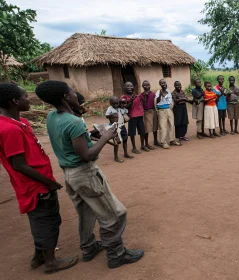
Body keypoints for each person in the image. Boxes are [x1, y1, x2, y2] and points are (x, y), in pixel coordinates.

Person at [35, 80, 144, 269]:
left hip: (70, 175)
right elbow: (87, 155)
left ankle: (89, 247)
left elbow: (70, 140)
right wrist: (105, 136)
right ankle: (116, 254)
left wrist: (90, 134)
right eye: (72, 92)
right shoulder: (74, 121)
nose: (76, 95)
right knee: (115, 214)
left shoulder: (52, 116)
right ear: (65, 97)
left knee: (86, 213)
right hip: (85, 174)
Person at [0, 83, 78, 274]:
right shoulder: (10, 130)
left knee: (41, 220)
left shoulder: (21, 123)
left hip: (38, 182)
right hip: (36, 186)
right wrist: (48, 182)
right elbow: (19, 165)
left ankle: (39, 256)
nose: (29, 99)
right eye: (26, 96)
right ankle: (51, 261)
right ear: (14, 101)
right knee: (47, 221)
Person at [105, 96, 132, 162]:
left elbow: (126, 111)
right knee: (116, 141)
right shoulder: (110, 108)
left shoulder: (120, 108)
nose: (115, 105)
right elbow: (106, 115)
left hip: (122, 126)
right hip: (115, 127)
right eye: (113, 103)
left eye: (117, 103)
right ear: (110, 103)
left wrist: (123, 103)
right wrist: (112, 115)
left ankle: (125, 153)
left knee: (125, 139)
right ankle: (116, 157)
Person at [121, 82, 145, 154]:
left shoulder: (137, 96)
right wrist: (131, 100)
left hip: (140, 115)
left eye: (131, 86)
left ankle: (142, 146)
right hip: (132, 116)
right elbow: (126, 107)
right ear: (124, 88)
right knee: (132, 133)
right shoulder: (123, 97)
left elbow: (142, 103)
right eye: (127, 86)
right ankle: (134, 148)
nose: (129, 88)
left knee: (142, 131)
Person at [156, 79, 181, 148]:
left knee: (171, 125)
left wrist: (171, 107)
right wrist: (160, 95)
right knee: (163, 126)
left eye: (164, 83)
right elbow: (157, 101)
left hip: (169, 110)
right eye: (162, 83)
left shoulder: (168, 92)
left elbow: (170, 101)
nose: (164, 84)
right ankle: (163, 142)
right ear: (160, 85)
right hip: (162, 110)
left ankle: (172, 140)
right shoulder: (158, 92)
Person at [140, 80, 159, 150]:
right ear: (142, 86)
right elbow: (143, 105)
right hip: (146, 112)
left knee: (155, 127)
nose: (147, 87)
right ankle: (146, 144)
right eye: (145, 85)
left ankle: (155, 141)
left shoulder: (153, 94)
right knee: (147, 128)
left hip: (153, 111)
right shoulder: (141, 95)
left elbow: (156, 102)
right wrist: (146, 96)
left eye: (148, 85)